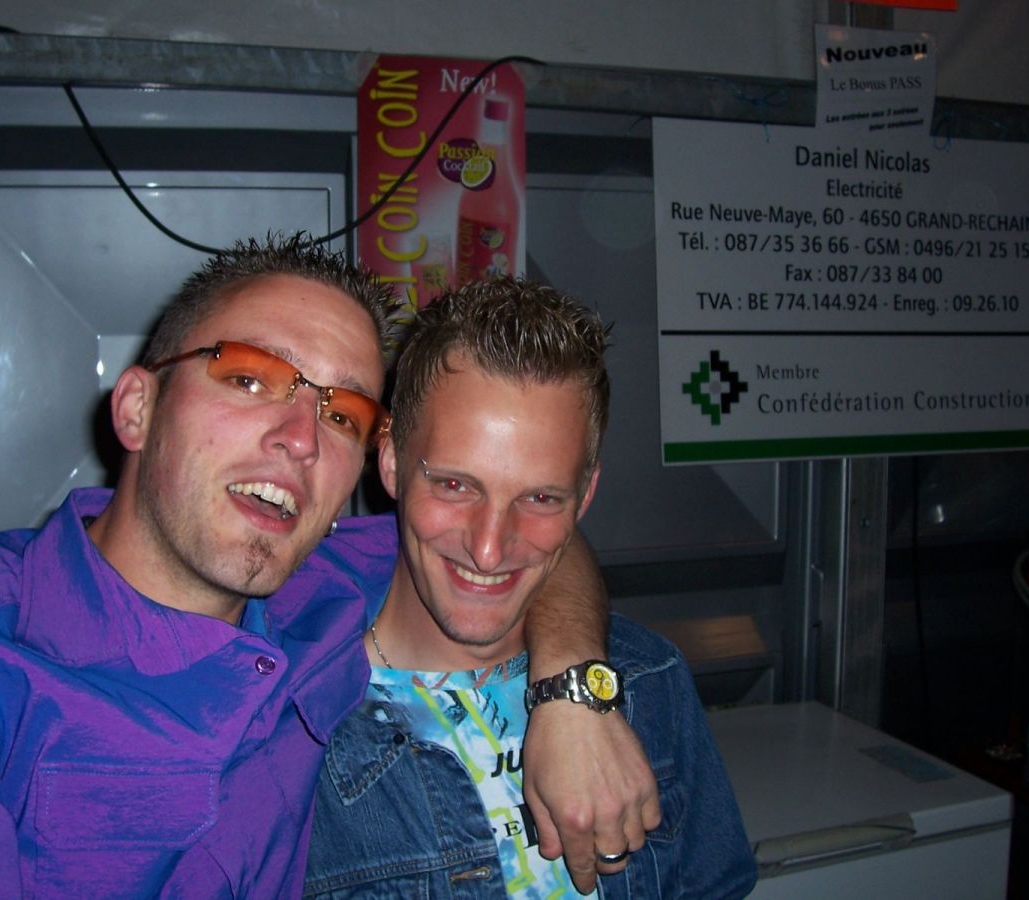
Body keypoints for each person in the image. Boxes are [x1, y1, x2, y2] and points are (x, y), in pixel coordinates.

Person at [0, 235, 657, 897]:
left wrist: (574, 690)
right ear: (137, 407)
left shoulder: (326, 583)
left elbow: (523, 537)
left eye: (342, 414)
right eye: (249, 378)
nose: (301, 438)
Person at [302, 277, 757, 898]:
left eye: (540, 498)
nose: (489, 548)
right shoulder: (298, 729)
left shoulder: (650, 681)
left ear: (584, 496)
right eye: (455, 486)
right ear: (390, 461)